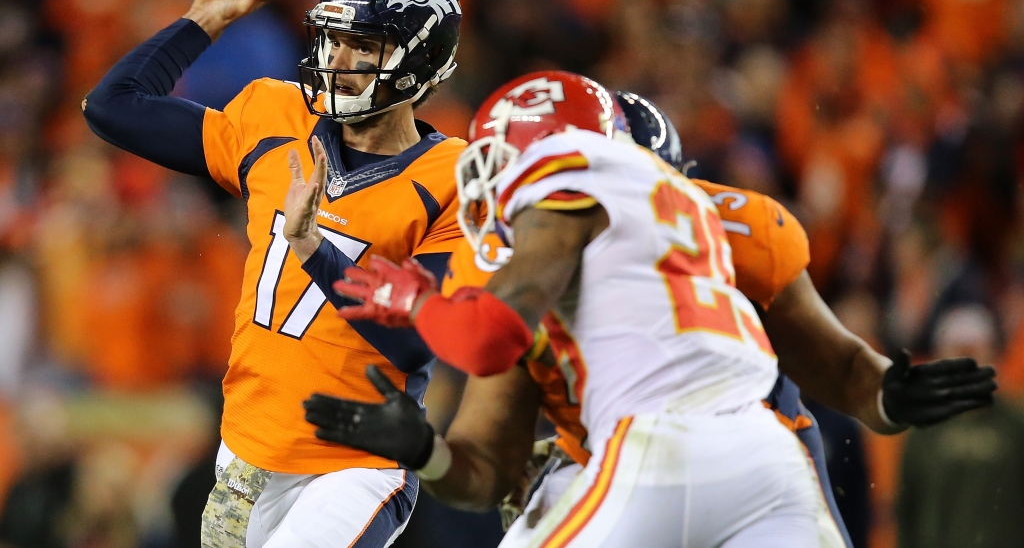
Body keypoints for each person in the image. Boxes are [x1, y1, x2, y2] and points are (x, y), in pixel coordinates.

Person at [306, 83, 996, 546]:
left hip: (657, 452)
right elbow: (486, 462)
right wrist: (426, 451)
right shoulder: (711, 218)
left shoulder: (560, 211)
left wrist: (421, 303)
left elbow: (488, 338)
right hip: (743, 458)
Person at [82, 0, 465, 547]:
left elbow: (419, 341)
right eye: (333, 38)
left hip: (356, 463)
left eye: (363, 44)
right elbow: (112, 107)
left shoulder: (453, 178)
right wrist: (199, 26)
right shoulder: (275, 114)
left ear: (420, 60)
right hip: (245, 449)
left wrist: (315, 248)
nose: (338, 59)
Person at [896, 305, 1024, 548]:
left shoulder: (1015, 426)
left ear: (994, 355)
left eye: (974, 352)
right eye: (958, 352)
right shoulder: (923, 428)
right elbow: (907, 510)